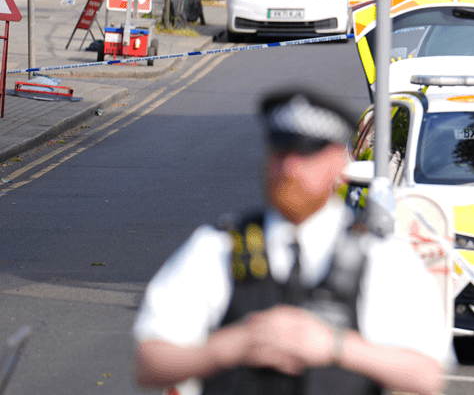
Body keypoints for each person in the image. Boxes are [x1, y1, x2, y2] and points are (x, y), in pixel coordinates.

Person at [132, 87, 451, 395]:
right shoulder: (217, 248)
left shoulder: (381, 257)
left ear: (339, 164)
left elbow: (426, 374)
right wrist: (237, 344)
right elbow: (149, 363)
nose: (288, 168)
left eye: (306, 154)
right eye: (280, 152)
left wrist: (334, 346)